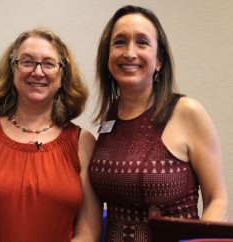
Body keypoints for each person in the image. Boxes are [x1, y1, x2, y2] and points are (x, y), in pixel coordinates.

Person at [0, 27, 102, 242]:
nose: (37, 72)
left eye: (49, 63)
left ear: (63, 75)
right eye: (27, 61)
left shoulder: (83, 142)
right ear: (12, 69)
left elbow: (88, 230)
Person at [88, 5, 229, 242]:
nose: (129, 53)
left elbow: (218, 198)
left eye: (142, 42)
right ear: (107, 56)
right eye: (120, 42)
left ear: (159, 60)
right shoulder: (109, 116)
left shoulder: (186, 111)